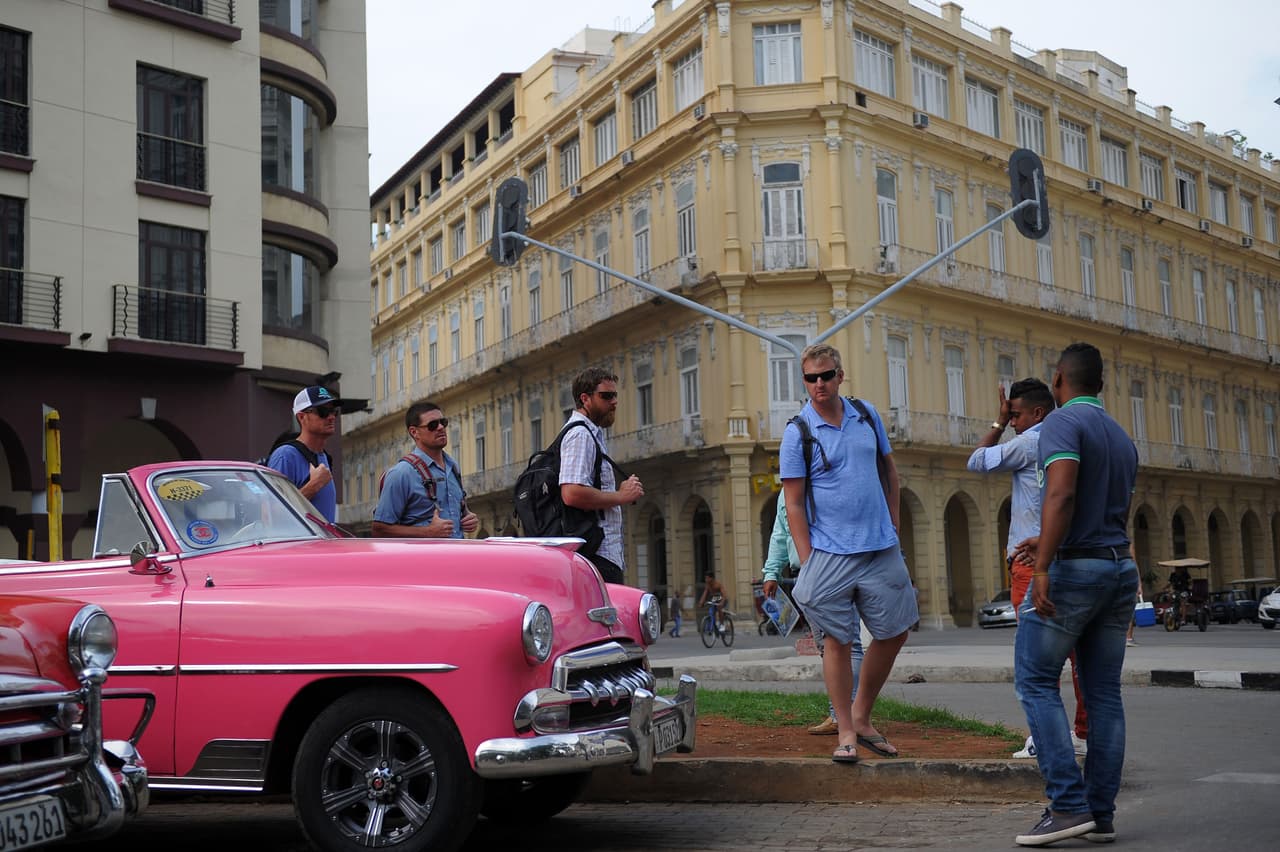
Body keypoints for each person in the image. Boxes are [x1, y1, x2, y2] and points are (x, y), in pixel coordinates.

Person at [1010, 342, 1139, 846]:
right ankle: (1099, 814)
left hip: (1075, 571)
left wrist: (1043, 564)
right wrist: (1046, 540)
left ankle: (1066, 805)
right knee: (1104, 693)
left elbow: (1061, 493)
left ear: (1059, 378)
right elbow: (1102, 511)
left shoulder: (1062, 423)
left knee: (1036, 681)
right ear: (1100, 383)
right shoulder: (1121, 436)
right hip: (1117, 568)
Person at [766, 343, 917, 764]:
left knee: (896, 630)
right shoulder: (798, 432)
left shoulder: (865, 415)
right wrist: (808, 557)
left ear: (840, 375)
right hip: (830, 551)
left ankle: (862, 716)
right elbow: (793, 503)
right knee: (837, 639)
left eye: (826, 376)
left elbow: (890, 472)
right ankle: (846, 731)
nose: (819, 385)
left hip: (880, 546)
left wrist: (893, 524)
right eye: (811, 378)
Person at [967, 379, 1088, 759]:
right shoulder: (1072, 438)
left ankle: (1043, 737)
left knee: (1035, 658)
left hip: (1030, 562)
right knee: (1079, 654)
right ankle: (1083, 731)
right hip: (1070, 557)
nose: (1014, 421)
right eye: (1011, 416)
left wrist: (997, 423)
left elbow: (976, 461)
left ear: (1037, 413)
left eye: (1016, 414)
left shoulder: (1030, 441)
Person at [763, 489, 861, 735]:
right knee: (828, 646)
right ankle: (844, 714)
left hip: (835, 567)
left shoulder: (829, 479)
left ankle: (845, 716)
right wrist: (772, 572)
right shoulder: (786, 491)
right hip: (806, 575)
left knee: (844, 643)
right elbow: (780, 533)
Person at [559, 367, 645, 584]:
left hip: (601, 554)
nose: (614, 401)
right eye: (606, 396)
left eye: (615, 395)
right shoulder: (580, 435)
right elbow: (571, 493)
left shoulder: (591, 433)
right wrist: (621, 496)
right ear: (585, 399)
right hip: (596, 554)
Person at [371, 401, 478, 539]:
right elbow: (379, 530)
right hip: (421, 559)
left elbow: (456, 510)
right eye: (432, 425)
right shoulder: (402, 473)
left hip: (455, 556)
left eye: (443, 422)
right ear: (414, 432)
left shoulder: (453, 467)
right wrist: (427, 532)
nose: (440, 427)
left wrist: (468, 517)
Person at [267, 385, 343, 523]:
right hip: (299, 544)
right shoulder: (286, 456)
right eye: (323, 411)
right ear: (302, 417)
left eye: (333, 411)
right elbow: (272, 515)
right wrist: (313, 485)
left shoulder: (324, 456)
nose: (331, 417)